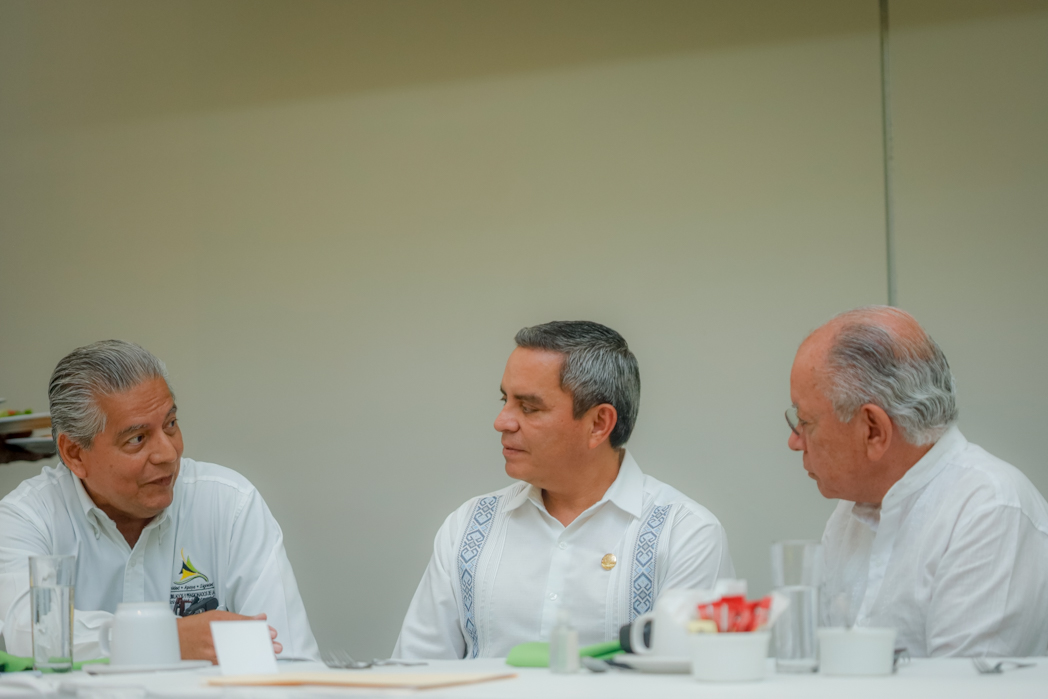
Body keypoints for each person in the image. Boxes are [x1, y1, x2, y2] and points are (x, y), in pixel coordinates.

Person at [393, 321, 733, 659]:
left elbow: (690, 678)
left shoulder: (685, 534)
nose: (501, 422)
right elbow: (414, 671)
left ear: (599, 423)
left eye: (529, 408)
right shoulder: (468, 527)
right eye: (505, 400)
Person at [0, 340, 320, 663]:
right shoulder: (28, 518)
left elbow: (291, 661)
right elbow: (28, 632)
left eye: (170, 425)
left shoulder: (229, 505)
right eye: (137, 439)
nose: (168, 454)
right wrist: (168, 639)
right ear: (74, 454)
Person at [787, 306, 1048, 657]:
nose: (794, 441)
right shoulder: (849, 514)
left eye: (805, 422)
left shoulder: (989, 510)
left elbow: (961, 683)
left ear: (873, 430)